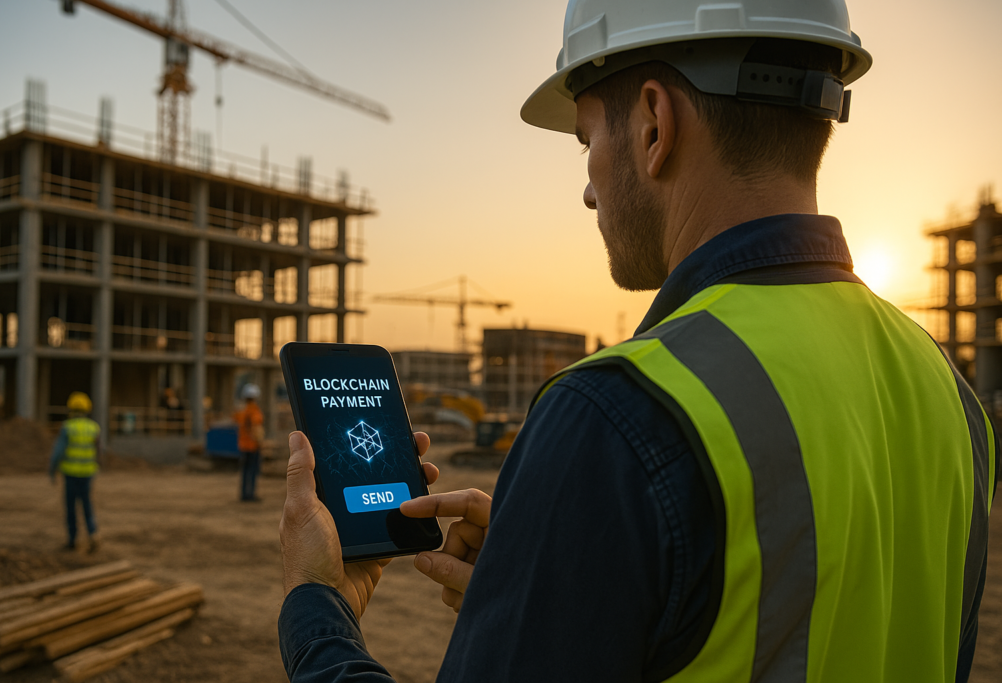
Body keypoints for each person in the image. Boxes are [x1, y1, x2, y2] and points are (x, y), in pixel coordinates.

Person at [277, 1, 999, 680]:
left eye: (586, 139)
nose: (589, 188)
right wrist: (558, 590)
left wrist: (318, 608)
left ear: (654, 124)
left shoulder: (617, 412)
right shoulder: (950, 397)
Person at [49, 391, 102, 552]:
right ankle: (93, 534)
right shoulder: (94, 427)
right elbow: (98, 451)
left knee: (71, 507)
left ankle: (72, 540)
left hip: (71, 473)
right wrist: (97, 466)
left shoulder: (68, 427)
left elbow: (58, 451)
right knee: (87, 504)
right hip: (87, 473)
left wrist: (52, 470)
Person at [236, 383, 264, 502]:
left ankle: (243, 494)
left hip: (243, 445)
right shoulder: (255, 411)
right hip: (252, 446)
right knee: (252, 470)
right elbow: (256, 428)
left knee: (244, 471)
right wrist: (260, 442)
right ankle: (250, 494)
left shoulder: (242, 411)